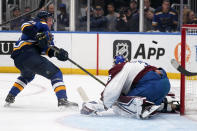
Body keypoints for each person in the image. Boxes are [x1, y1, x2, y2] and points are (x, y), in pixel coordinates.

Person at [4, 11, 78, 109]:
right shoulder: (38, 24)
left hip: (19, 60)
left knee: (28, 76)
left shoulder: (47, 34)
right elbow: (24, 27)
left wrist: (58, 53)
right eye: (50, 20)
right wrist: (37, 34)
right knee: (56, 73)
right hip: (28, 54)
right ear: (43, 19)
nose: (51, 23)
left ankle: (11, 96)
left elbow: (48, 50)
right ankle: (62, 100)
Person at [80, 55, 178, 119]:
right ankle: (166, 104)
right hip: (165, 83)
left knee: (118, 102)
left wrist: (94, 106)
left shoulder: (119, 68)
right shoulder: (136, 64)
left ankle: (142, 106)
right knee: (130, 95)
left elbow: (111, 92)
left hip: (151, 85)